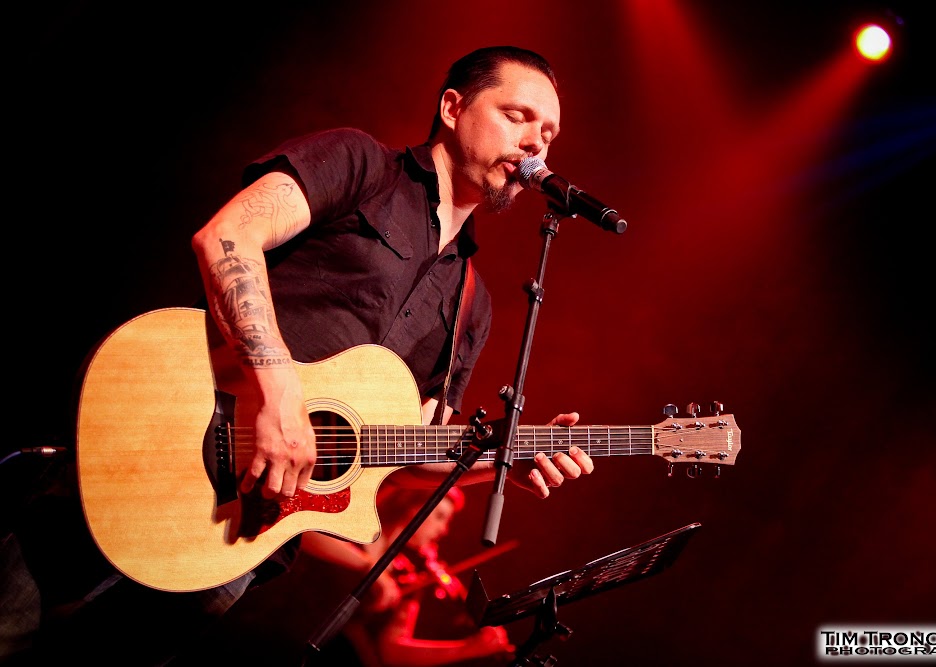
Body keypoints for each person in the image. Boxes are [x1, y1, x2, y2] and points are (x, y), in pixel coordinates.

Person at [2, 45, 593, 666]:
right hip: (160, 435)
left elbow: (413, 448)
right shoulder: (360, 164)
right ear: (452, 107)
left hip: (242, 535)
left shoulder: (473, 302)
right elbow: (227, 236)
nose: (536, 143)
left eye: (549, 134)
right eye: (518, 116)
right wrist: (280, 397)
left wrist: (501, 459)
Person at [191, 483, 516, 666]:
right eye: (440, 517)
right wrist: (367, 567)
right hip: (250, 622)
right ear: (415, 505)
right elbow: (299, 530)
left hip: (293, 654)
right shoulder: (355, 522)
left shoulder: (407, 574)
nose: (443, 530)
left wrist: (468, 648)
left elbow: (391, 649)